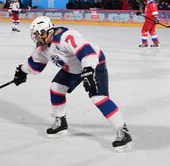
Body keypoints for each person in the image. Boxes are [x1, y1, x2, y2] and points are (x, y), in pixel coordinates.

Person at [12, 16, 133, 152]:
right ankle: (60, 122)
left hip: (93, 62)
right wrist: (22, 71)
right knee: (56, 87)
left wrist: (88, 71)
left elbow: (87, 52)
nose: (36, 38)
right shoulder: (42, 47)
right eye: (34, 35)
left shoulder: (65, 36)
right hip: (72, 67)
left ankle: (123, 131)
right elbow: (35, 65)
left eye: (37, 34)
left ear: (46, 32)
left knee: (98, 97)